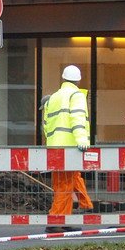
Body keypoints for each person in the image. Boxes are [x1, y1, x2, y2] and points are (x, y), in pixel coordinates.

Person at [42, 64, 93, 232]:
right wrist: (82, 139)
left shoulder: (54, 97)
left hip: (55, 148)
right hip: (70, 147)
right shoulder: (76, 95)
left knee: (64, 183)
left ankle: (65, 217)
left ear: (63, 78)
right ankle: (55, 220)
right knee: (65, 185)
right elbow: (77, 118)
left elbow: (46, 125)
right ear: (78, 80)